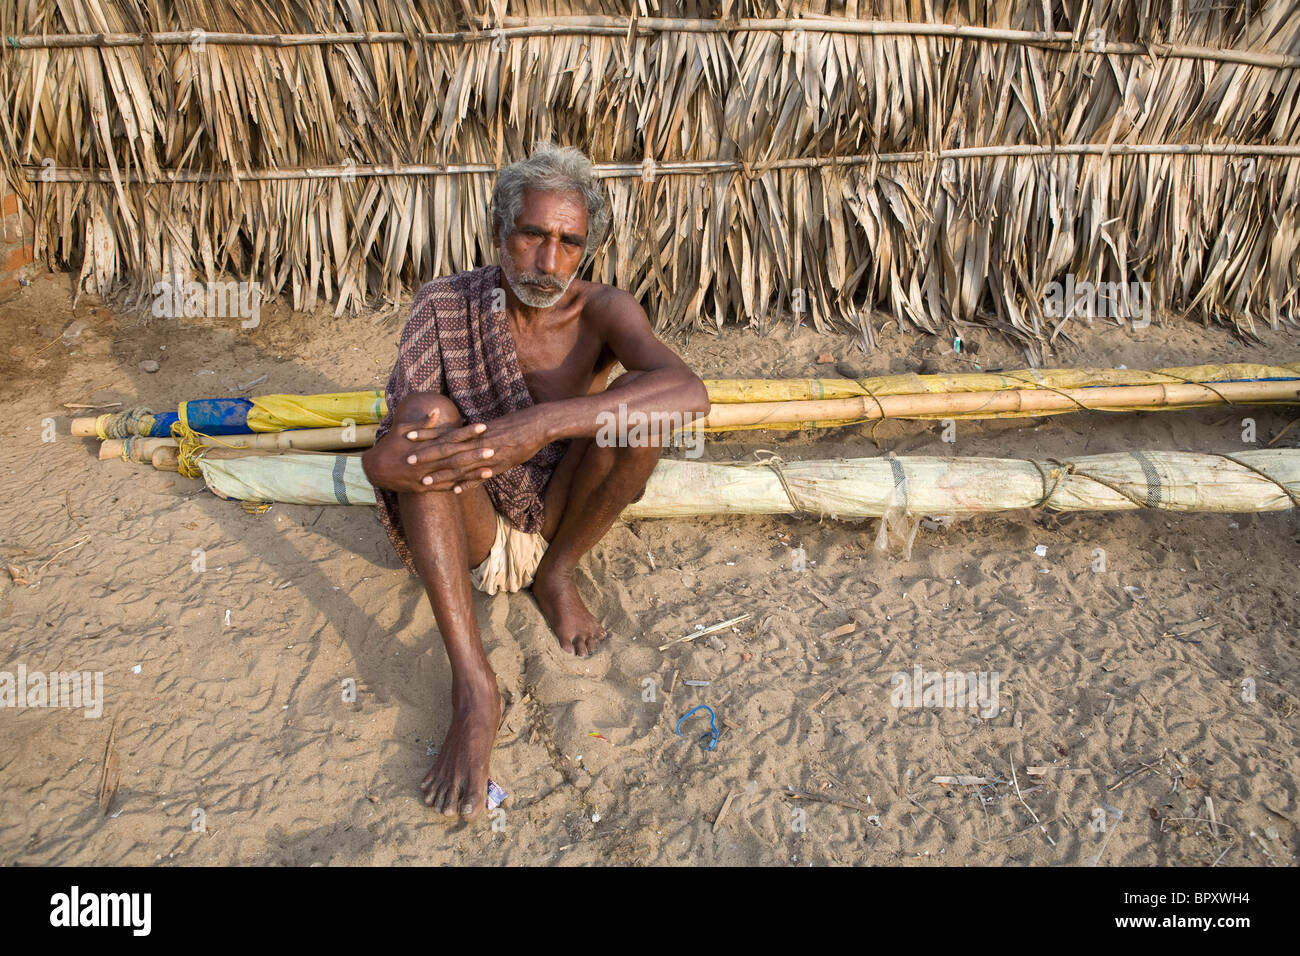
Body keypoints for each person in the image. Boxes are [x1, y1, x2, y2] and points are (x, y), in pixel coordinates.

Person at [361, 142, 710, 819]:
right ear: (499, 232)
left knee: (643, 411)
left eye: (568, 242)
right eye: (533, 235)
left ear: (586, 249)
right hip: (469, 514)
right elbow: (385, 458)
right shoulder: (445, 305)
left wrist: (545, 423)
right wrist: (440, 454)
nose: (548, 262)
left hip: (556, 506)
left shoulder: (604, 310)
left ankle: (558, 574)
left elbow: (689, 394)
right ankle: (474, 686)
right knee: (426, 416)